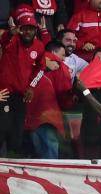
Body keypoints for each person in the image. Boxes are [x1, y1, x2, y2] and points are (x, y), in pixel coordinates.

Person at [0, 7, 47, 157]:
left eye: (31, 29)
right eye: (24, 28)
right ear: (19, 29)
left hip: (21, 95)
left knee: (17, 134)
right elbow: (3, 40)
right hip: (4, 93)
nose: (27, 32)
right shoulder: (12, 40)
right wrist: (9, 33)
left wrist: (31, 86)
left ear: (35, 30)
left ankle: (12, 167)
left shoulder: (39, 46)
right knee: (2, 129)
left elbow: (41, 68)